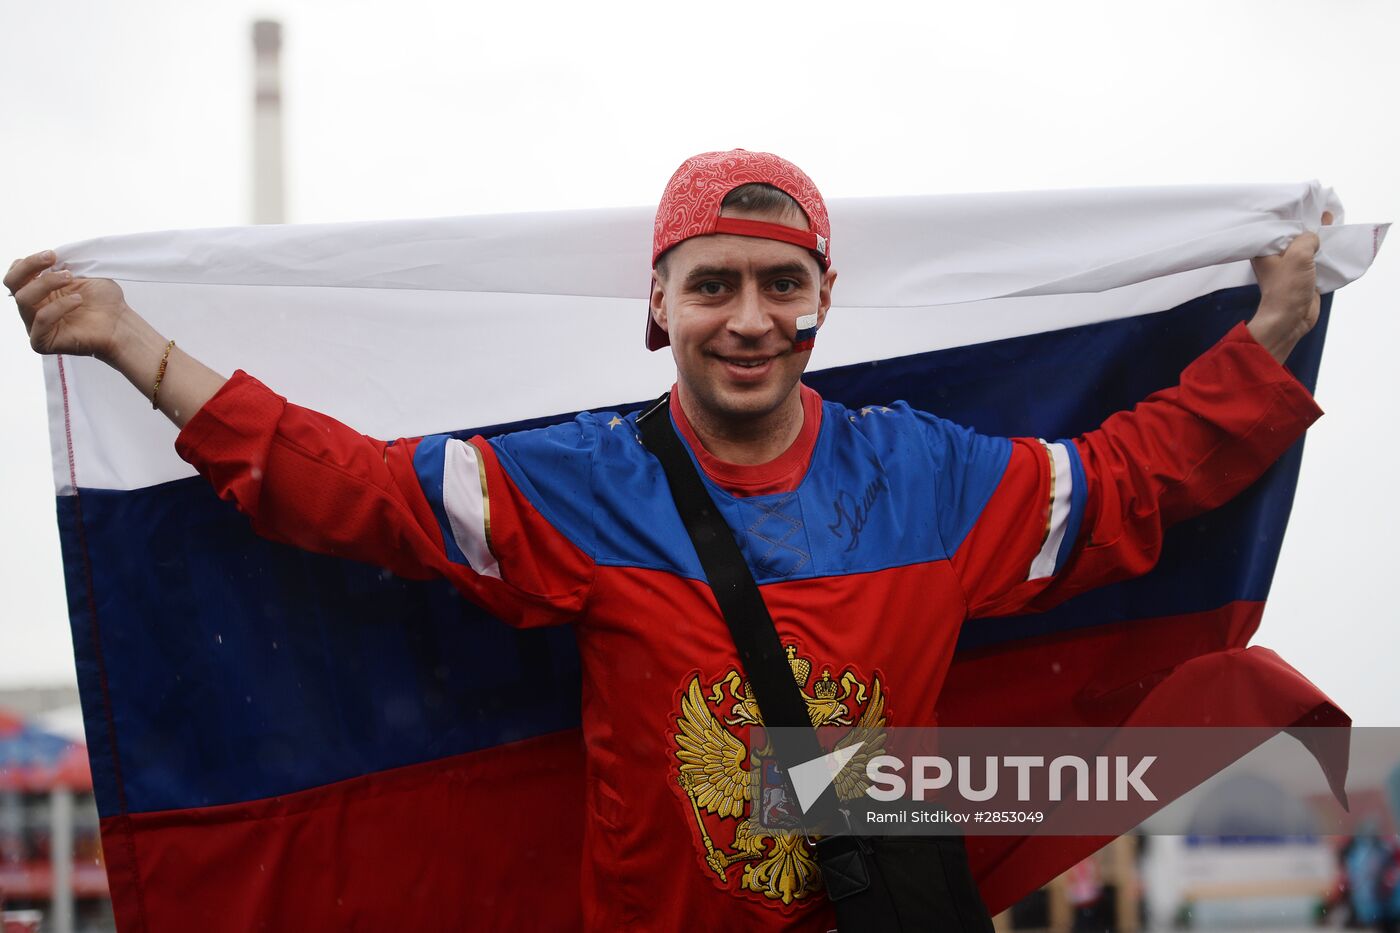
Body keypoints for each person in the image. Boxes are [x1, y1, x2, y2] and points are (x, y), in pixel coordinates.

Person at [9, 149, 1329, 931]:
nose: (747, 317)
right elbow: (341, 488)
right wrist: (134, 346)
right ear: (659, 305)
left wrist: (1266, 335)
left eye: (780, 283)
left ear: (824, 302)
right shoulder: (581, 484)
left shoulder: (928, 476)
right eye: (713, 284)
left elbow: (1125, 484)